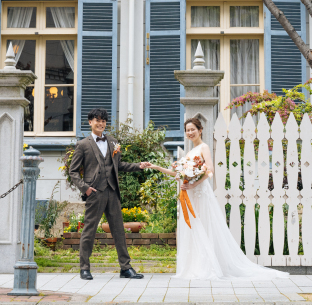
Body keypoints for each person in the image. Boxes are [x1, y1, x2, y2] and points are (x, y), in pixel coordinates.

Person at [147, 117, 289, 281]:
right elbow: (178, 174)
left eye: (193, 129)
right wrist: (156, 167)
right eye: (187, 130)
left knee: (203, 226)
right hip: (189, 195)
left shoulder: (204, 147)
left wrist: (194, 184)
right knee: (193, 228)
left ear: (200, 130)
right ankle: (194, 266)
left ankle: (207, 267)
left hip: (200, 193)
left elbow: (210, 171)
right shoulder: (189, 153)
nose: (190, 132)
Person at [68, 108, 152, 280]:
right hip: (95, 192)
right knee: (89, 231)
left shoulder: (113, 142)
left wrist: (138, 165)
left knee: (119, 230)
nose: (100, 123)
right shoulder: (83, 145)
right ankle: (84, 268)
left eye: (103, 121)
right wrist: (85, 188)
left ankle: (125, 268)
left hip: (112, 191)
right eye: (97, 120)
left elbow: (119, 165)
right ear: (90, 122)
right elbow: (73, 171)